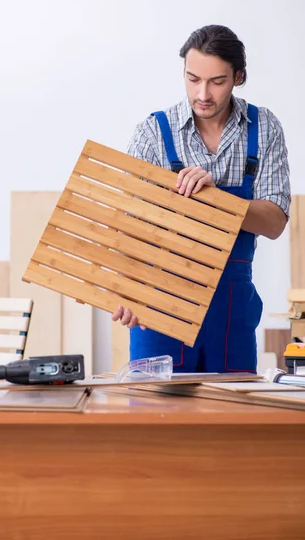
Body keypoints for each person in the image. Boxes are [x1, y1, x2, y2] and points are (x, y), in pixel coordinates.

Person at [112, 24, 290, 373]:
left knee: (231, 421)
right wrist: (125, 288)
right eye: (193, 79)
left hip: (231, 308)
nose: (203, 93)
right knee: (156, 421)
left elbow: (274, 222)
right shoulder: (153, 134)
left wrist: (215, 200)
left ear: (238, 76)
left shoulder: (264, 128)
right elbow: (127, 225)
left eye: (217, 81)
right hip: (159, 305)